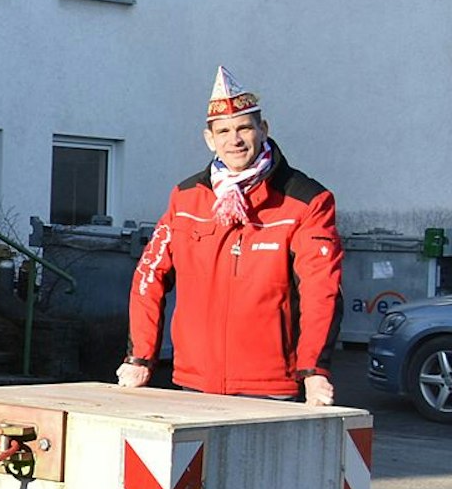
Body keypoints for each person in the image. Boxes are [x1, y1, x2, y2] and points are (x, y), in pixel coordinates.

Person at [119, 67, 343, 405]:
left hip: (269, 386)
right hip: (194, 379)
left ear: (262, 130)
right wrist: (140, 357)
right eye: (222, 131)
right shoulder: (186, 198)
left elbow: (321, 291)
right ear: (209, 139)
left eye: (243, 128)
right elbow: (148, 278)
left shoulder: (305, 200)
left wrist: (314, 369)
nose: (234, 140)